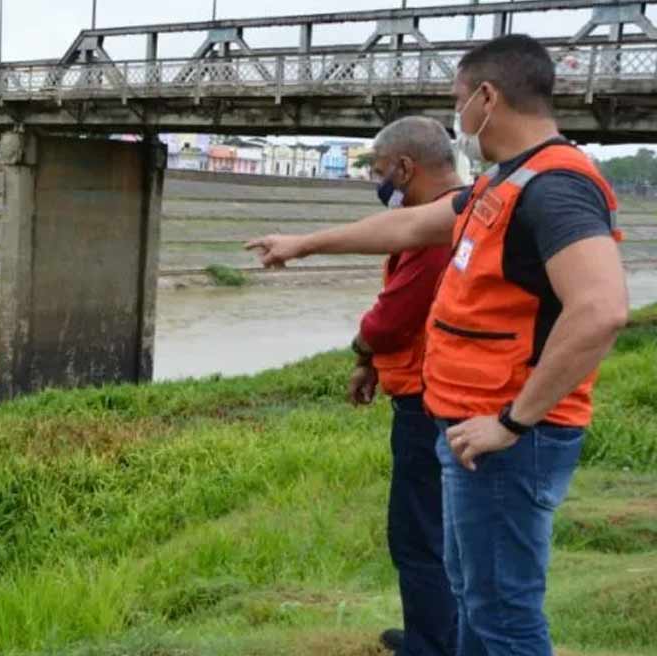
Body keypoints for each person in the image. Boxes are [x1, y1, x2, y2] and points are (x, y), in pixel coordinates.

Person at [246, 34, 628, 656]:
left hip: (503, 442)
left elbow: (602, 310)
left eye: (458, 101)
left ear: (486, 96)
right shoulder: (502, 182)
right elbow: (411, 224)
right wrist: (306, 241)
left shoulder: (555, 187)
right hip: (467, 432)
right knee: (475, 603)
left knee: (504, 618)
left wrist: (511, 422)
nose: (458, 120)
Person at [346, 116, 463, 656]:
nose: (378, 179)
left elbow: (395, 315)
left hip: (426, 397)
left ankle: (431, 644)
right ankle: (437, 635)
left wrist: (364, 349)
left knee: (418, 532)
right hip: (435, 388)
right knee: (439, 528)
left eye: (378, 169)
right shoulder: (456, 214)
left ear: (404, 168)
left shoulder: (436, 230)